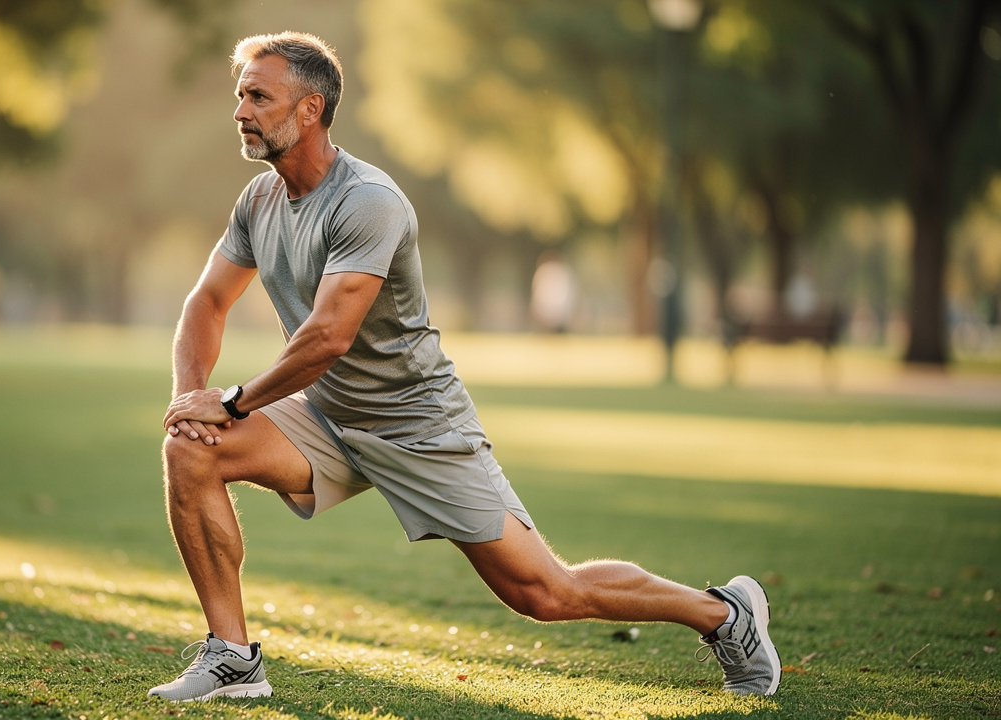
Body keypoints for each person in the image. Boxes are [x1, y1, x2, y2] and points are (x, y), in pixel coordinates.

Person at [150, 31, 780, 703]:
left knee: (543, 593)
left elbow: (328, 336)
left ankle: (724, 613)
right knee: (192, 452)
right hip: (330, 421)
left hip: (420, 424)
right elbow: (207, 303)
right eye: (240, 96)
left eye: (258, 96)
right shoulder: (259, 202)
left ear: (310, 110)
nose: (242, 111)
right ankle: (234, 659)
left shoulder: (368, 201)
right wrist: (194, 402)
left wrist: (235, 401)